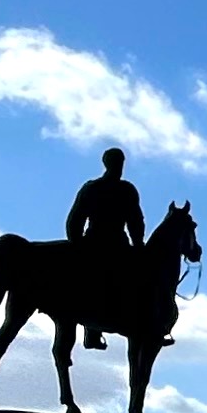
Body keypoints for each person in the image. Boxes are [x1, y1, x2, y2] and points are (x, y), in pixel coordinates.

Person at [65, 147, 144, 345]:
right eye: (118, 162)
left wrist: (76, 240)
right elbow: (135, 222)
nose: (120, 166)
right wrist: (138, 245)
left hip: (102, 242)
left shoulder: (100, 188)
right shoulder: (118, 189)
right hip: (106, 244)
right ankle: (94, 328)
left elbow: (75, 220)